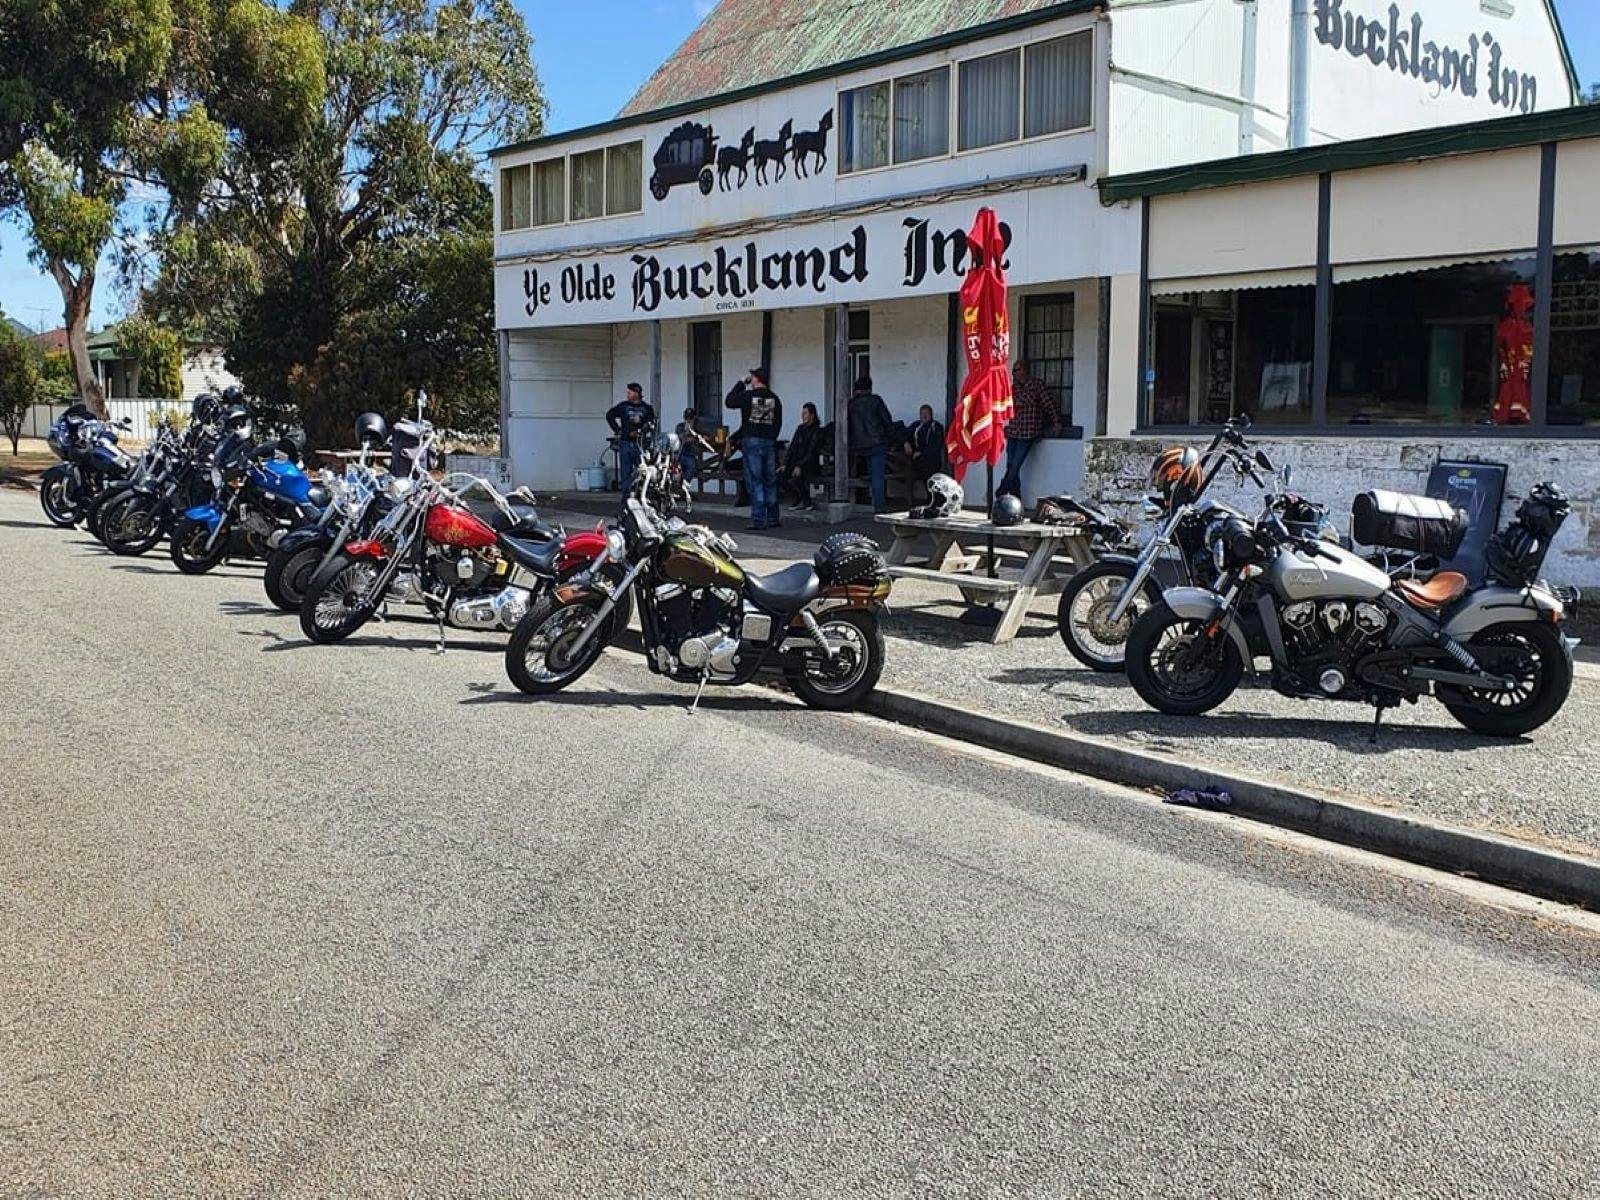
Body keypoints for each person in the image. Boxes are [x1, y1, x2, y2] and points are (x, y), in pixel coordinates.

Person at [725, 366, 783, 529]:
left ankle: (758, 518)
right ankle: (773, 517)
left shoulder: (748, 397)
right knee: (770, 480)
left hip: (751, 441)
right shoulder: (775, 399)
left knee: (755, 480)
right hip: (769, 442)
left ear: (756, 379)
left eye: (753, 377)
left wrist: (741, 383)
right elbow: (778, 422)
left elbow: (729, 401)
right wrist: (771, 437)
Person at [998, 360, 1061, 499]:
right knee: (1010, 464)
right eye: (1014, 370)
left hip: (1028, 431)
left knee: (1016, 464)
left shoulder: (1037, 385)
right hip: (1014, 430)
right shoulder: (1013, 388)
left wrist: (1056, 421)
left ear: (1025, 370)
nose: (1015, 373)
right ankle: (1016, 497)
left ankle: (1002, 488)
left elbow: (1049, 404)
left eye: (1017, 370)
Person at [847, 374, 895, 514]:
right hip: (877, 443)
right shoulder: (876, 400)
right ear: (869, 388)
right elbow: (887, 421)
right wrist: (892, 439)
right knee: (878, 477)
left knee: (870, 476)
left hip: (859, 446)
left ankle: (869, 502)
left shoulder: (851, 404)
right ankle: (879, 508)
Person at [606, 382, 655, 489]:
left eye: (630, 393)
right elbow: (609, 415)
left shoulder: (647, 408)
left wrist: (644, 429)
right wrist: (618, 430)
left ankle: (643, 492)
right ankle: (626, 496)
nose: (628, 395)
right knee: (625, 472)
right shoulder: (624, 406)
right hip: (626, 442)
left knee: (643, 469)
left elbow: (652, 423)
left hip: (640, 443)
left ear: (636, 393)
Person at [783, 402, 825, 511]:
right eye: (802, 413)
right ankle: (799, 497)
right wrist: (785, 463)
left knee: (796, 477)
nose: (803, 416)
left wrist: (800, 465)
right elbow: (793, 447)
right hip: (797, 461)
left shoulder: (816, 431)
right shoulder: (800, 428)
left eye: (805, 413)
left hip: (810, 463)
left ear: (812, 415)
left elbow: (811, 451)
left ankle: (806, 501)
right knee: (782, 476)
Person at [904, 403, 945, 489]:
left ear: (931, 414)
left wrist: (922, 452)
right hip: (917, 459)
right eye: (922, 413)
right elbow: (904, 434)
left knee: (930, 473)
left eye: (926, 413)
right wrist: (905, 442)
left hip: (932, 459)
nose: (924, 415)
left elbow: (937, 445)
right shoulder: (916, 425)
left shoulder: (936, 427)